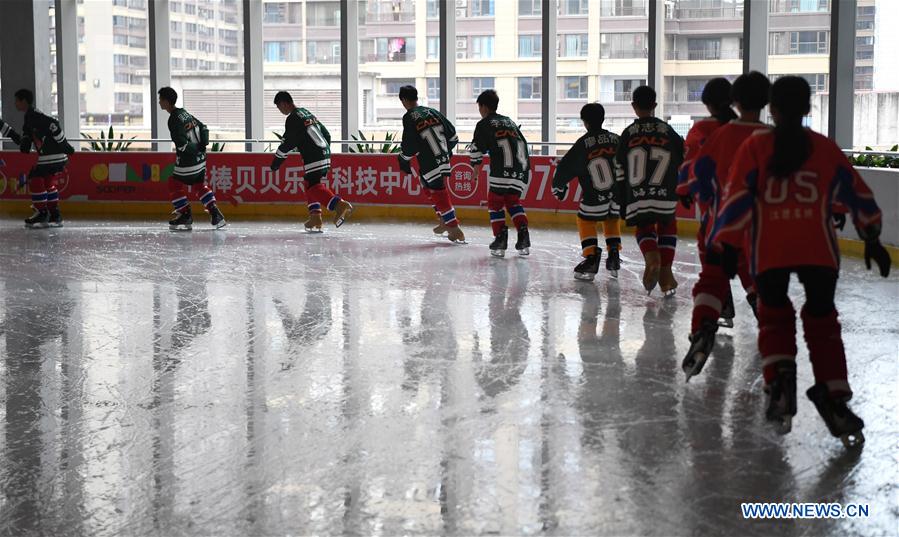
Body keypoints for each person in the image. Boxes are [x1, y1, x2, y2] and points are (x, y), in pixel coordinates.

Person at [710, 76, 891, 447]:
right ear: (808, 109)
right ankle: (834, 396)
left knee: (775, 318)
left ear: (772, 110)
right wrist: (871, 237)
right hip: (818, 250)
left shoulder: (756, 146)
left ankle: (780, 385)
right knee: (823, 323)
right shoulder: (823, 147)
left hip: (770, 250)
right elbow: (856, 193)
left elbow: (736, 198)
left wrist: (726, 245)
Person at [680, 72, 771, 381]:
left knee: (712, 278)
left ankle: (705, 325)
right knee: (754, 272)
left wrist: (689, 193)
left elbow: (695, 172)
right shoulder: (771, 137)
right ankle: (764, 314)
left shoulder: (715, 133)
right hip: (758, 227)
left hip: (718, 221)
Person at [616, 86, 684, 295]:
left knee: (644, 228)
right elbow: (682, 155)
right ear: (654, 105)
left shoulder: (628, 133)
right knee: (667, 227)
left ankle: (651, 257)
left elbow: (619, 168)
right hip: (665, 192)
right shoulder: (667, 130)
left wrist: (621, 198)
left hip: (638, 195)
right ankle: (665, 273)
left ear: (634, 107)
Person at [552, 102, 624, 280]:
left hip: (594, 196)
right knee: (611, 217)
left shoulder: (583, 144)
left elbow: (565, 168)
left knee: (585, 219)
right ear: (603, 119)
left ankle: (591, 256)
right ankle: (613, 252)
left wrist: (559, 187)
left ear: (584, 122)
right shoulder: (616, 139)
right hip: (617, 195)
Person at [271, 91, 353, 231]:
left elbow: (287, 144)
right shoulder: (306, 113)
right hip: (323, 153)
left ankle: (339, 205)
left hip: (314, 156)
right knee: (309, 183)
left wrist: (276, 163)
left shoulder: (293, 118)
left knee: (313, 187)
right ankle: (315, 217)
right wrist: (323, 150)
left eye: (279, 108)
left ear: (284, 103)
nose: (280, 111)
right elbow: (326, 133)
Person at [397, 85, 465, 242]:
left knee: (438, 192)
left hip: (429, 160)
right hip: (442, 158)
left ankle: (454, 228)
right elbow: (453, 137)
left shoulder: (409, 117)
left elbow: (409, 145)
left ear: (404, 100)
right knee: (427, 185)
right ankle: (444, 220)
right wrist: (444, 152)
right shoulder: (432, 112)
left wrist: (404, 159)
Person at [470, 90, 531, 257]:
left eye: (479, 107)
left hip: (501, 171)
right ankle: (523, 234)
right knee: (513, 202)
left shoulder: (484, 124)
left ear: (483, 106)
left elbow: (476, 149)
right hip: (521, 170)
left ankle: (500, 238)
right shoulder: (509, 122)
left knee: (495, 203)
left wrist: (475, 170)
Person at [157, 86, 226, 231]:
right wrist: (203, 145)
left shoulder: (174, 119)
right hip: (201, 159)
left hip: (189, 160)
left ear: (167, 101)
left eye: (160, 99)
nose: (159, 102)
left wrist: (195, 149)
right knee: (198, 185)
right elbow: (203, 127)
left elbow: (182, 145)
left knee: (173, 184)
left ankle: (185, 214)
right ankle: (215, 213)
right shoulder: (184, 113)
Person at [13, 89, 74, 228]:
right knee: (48, 182)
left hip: (50, 156)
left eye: (16, 100)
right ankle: (55, 214)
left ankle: (42, 212)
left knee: (35, 180)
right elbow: (26, 140)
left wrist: (64, 144)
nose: (15, 104)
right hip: (56, 156)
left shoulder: (33, 115)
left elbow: (53, 125)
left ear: (24, 101)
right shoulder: (30, 116)